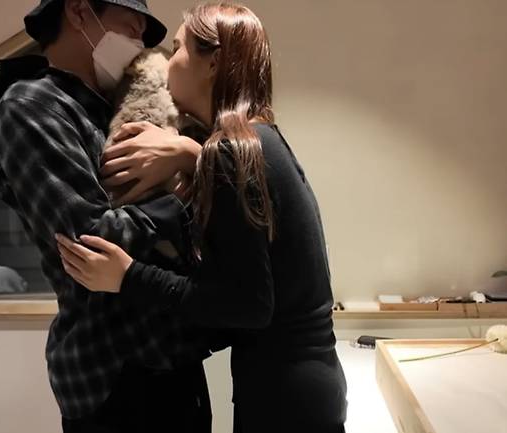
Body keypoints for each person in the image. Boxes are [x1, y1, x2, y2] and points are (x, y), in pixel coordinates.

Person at [56, 2, 348, 432]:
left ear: (212, 63)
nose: (166, 61)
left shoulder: (230, 151)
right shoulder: (260, 138)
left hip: (282, 398)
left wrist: (128, 276)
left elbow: (246, 305)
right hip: (306, 386)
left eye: (177, 48)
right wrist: (190, 155)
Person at [0, 1, 215, 432]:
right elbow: (90, 241)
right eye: (131, 26)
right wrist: (179, 198)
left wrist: (188, 156)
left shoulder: (117, 103)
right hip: (112, 373)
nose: (139, 42)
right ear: (79, 12)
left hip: (174, 355)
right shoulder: (31, 106)